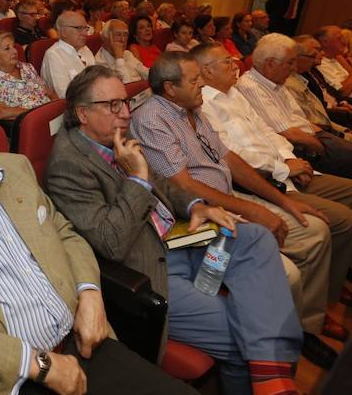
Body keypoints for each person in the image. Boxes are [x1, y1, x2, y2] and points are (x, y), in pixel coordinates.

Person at [0, 95, 196, 395]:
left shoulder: (15, 169)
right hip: (10, 375)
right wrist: (36, 364)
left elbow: (65, 233)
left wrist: (89, 293)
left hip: (82, 341)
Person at [46, 66, 303, 395]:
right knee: (244, 335)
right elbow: (111, 243)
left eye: (126, 102)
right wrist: (137, 179)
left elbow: (164, 184)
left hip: (184, 237)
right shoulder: (68, 165)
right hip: (153, 270)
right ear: (83, 113)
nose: (126, 113)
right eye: (113, 105)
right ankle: (271, 378)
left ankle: (269, 375)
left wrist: (196, 206)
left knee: (255, 237)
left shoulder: (116, 134)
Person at [192, 43, 352, 361]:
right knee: (322, 229)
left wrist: (289, 161)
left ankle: (319, 302)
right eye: (227, 61)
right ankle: (303, 325)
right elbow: (224, 167)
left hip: (272, 174)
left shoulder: (230, 94)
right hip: (251, 185)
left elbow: (266, 133)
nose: (236, 64)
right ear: (204, 72)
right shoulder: (195, 107)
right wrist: (282, 174)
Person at [237, 34, 352, 287]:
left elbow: (292, 124)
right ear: (270, 64)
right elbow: (283, 134)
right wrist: (316, 146)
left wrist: (333, 136)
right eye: (289, 63)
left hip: (299, 148)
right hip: (300, 151)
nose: (293, 68)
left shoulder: (275, 84)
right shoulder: (248, 87)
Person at [0, 32, 55, 121]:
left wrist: (58, 109)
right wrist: (38, 113)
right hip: (30, 122)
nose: (15, 51)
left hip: (50, 115)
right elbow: (2, 112)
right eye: (7, 48)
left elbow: (50, 93)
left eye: (14, 46)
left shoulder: (27, 67)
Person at [41, 11, 96, 98]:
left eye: (86, 28)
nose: (85, 34)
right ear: (63, 32)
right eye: (79, 28)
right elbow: (64, 95)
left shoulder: (85, 49)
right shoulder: (54, 55)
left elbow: (96, 79)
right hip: (74, 103)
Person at [95, 19, 150, 84]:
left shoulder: (127, 54)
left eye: (125, 35)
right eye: (118, 35)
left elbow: (147, 74)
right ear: (105, 38)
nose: (123, 40)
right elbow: (126, 85)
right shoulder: (99, 64)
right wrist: (119, 57)